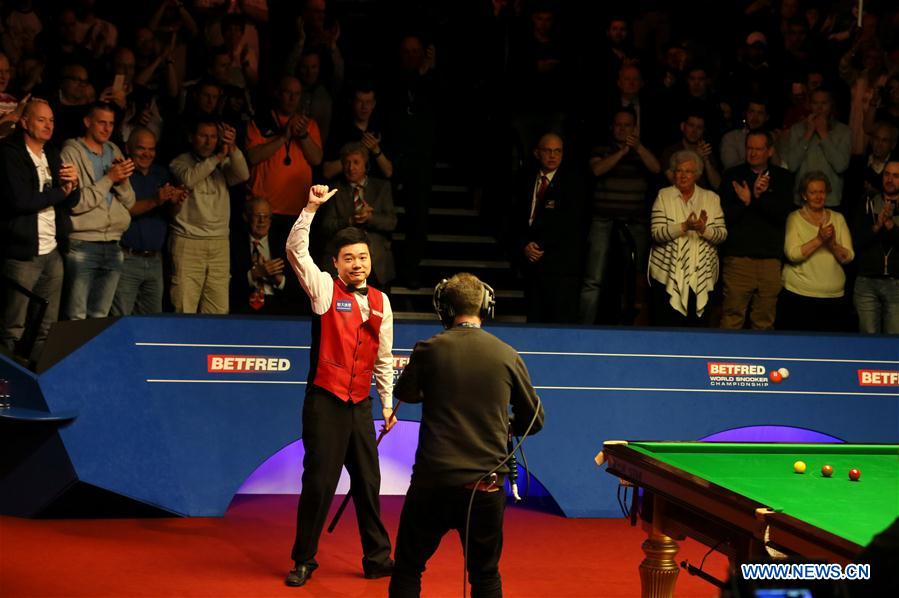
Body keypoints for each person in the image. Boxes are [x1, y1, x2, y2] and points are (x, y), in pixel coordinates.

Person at [388, 272, 544, 598]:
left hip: (433, 484)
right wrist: (504, 424)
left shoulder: (428, 349)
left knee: (407, 568)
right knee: (485, 576)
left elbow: (407, 392)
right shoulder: (507, 354)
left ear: (444, 310)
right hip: (485, 487)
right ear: (485, 307)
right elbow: (535, 420)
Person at [284, 184, 396, 587]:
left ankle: (378, 559)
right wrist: (310, 208)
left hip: (361, 405)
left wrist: (387, 404)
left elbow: (383, 359)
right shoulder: (324, 290)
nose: (358, 263)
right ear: (335, 264)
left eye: (363, 257)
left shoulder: (383, 302)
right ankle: (303, 560)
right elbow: (297, 252)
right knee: (319, 483)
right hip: (325, 402)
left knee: (369, 483)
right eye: (349, 258)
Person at [1, 99, 80, 363]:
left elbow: (71, 200)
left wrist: (73, 185)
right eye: (41, 120)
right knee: (13, 326)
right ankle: (8, 386)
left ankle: (38, 377)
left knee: (46, 326)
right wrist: (60, 192)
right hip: (23, 253)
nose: (48, 125)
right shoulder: (10, 153)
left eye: (52, 120)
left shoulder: (53, 154)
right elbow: (21, 201)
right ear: (24, 122)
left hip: (52, 251)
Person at [580, 109, 660, 324]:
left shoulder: (642, 150)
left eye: (627, 125)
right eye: (618, 125)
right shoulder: (601, 148)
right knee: (593, 278)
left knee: (638, 277)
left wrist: (638, 148)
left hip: (635, 221)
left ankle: (635, 327)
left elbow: (657, 168)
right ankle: (584, 327)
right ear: (612, 127)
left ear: (634, 128)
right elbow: (597, 170)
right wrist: (623, 152)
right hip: (603, 219)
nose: (622, 129)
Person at [60, 101, 136, 320]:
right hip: (83, 244)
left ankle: (94, 356)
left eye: (111, 124)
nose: (107, 128)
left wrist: (120, 182)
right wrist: (110, 178)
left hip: (113, 244)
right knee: (76, 317)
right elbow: (77, 203)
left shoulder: (113, 150)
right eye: (101, 122)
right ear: (87, 122)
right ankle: (74, 355)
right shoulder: (71, 152)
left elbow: (130, 200)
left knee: (100, 317)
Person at [168, 118, 249, 314]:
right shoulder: (180, 162)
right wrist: (218, 156)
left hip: (219, 242)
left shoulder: (223, 164)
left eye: (213, 137)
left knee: (218, 309)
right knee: (183, 307)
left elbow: (243, 175)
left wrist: (233, 147)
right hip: (188, 241)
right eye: (203, 136)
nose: (208, 141)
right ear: (191, 137)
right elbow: (189, 179)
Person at [719, 130, 794, 330]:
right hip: (738, 260)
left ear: (770, 151)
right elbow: (724, 217)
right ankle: (728, 360)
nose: (753, 153)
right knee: (732, 318)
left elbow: (781, 215)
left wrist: (757, 198)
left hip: (770, 261)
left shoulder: (783, 178)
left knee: (764, 321)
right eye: (749, 148)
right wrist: (744, 203)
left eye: (758, 149)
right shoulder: (732, 176)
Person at [508, 132, 584, 324]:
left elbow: (570, 224)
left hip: (560, 267)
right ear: (537, 153)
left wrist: (540, 246)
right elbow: (515, 219)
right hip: (532, 266)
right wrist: (525, 245)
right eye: (548, 150)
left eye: (557, 151)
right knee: (534, 320)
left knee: (558, 321)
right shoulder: (525, 179)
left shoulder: (573, 183)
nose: (552, 155)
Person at [649, 150, 727, 326]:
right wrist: (684, 226)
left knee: (696, 331)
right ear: (673, 173)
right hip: (668, 276)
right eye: (679, 171)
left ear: (697, 174)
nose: (683, 176)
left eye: (688, 171)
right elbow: (657, 234)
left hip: (701, 275)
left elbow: (722, 235)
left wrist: (703, 229)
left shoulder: (711, 198)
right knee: (667, 328)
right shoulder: (664, 196)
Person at [111, 127, 183, 316]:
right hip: (128, 259)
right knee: (122, 320)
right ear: (129, 148)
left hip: (155, 260)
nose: (147, 154)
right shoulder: (122, 174)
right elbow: (126, 210)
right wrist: (155, 200)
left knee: (152, 323)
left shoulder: (161, 173)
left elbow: (170, 213)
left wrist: (176, 203)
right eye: (141, 148)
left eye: (151, 149)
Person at [777, 172, 854, 332]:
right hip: (799, 296)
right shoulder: (794, 218)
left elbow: (848, 257)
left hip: (833, 298)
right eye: (813, 192)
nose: (818, 196)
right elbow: (792, 254)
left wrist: (832, 244)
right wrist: (819, 240)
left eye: (821, 192)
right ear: (804, 195)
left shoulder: (838, 218)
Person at [318, 143, 397, 289]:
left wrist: (370, 218)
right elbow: (326, 225)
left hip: (376, 263)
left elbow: (391, 222)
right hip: (344, 265)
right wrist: (350, 220)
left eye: (356, 162)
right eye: (347, 163)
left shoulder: (381, 187)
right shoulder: (335, 190)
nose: (350, 167)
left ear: (365, 165)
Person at [851, 160, 899, 334]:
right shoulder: (867, 202)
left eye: (896, 176)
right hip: (867, 282)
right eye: (887, 174)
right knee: (868, 342)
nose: (890, 179)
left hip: (896, 283)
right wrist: (877, 226)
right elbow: (857, 241)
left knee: (895, 342)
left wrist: (891, 226)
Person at [784, 89, 851, 208]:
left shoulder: (844, 131)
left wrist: (824, 134)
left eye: (824, 103)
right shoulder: (797, 129)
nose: (819, 108)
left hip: (830, 200)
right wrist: (808, 133)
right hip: (802, 200)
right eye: (815, 103)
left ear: (831, 105)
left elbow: (841, 166)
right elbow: (792, 165)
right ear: (810, 105)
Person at [229, 196, 295, 315]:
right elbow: (229, 285)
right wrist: (255, 274)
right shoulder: (234, 244)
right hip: (243, 305)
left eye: (266, 217)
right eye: (257, 216)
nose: (262, 221)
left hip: (277, 305)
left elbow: (298, 288)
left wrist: (279, 280)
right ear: (246, 217)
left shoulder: (285, 245)